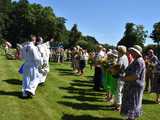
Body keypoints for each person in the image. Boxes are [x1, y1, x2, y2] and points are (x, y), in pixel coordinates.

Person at [121, 45, 146, 120]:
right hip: (132, 86)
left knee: (133, 104)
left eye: (132, 51)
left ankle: (131, 118)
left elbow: (135, 76)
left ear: (136, 52)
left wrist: (123, 78)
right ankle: (130, 118)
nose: (131, 52)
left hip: (135, 87)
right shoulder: (136, 60)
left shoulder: (138, 61)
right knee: (131, 104)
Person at [114, 45, 128, 111]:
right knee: (118, 90)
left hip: (121, 76)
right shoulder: (125, 57)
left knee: (119, 91)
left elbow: (118, 67)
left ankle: (118, 106)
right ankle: (116, 103)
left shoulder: (122, 58)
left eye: (118, 50)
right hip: (123, 75)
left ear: (120, 51)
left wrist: (113, 69)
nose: (117, 51)